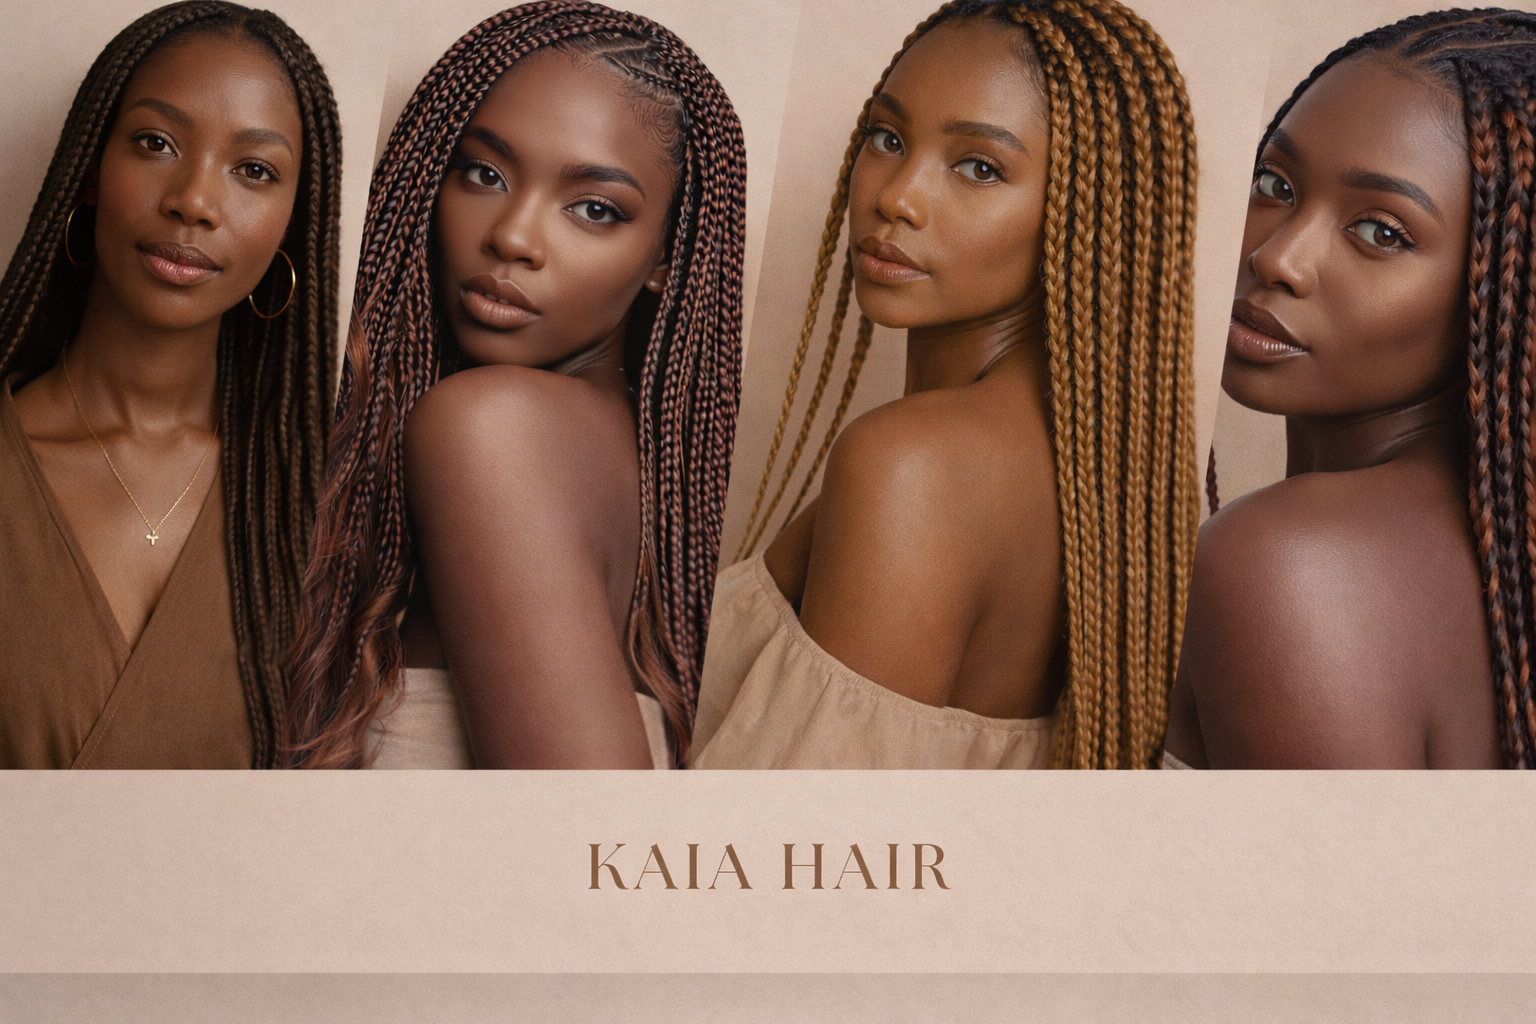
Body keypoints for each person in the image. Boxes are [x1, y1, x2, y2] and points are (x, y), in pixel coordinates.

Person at [694, 0, 1198, 769]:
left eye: (979, 167)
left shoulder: (912, 464)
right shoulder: (1108, 475)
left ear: (1091, 207)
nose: (896, 195)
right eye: (887, 138)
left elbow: (803, 862)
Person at [283, 1, 746, 769]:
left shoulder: (492, 428)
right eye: (484, 173)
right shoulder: (631, 453)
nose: (513, 236)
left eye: (595, 209)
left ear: (669, 254)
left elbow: (583, 856)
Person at [1166, 9, 1536, 769]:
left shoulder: (1288, 564)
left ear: (1507, 289)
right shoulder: (1493, 554)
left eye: (1382, 232)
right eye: (1276, 183)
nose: (1278, 257)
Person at [0, 1, 341, 768]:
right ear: (89, 170)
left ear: (293, 219)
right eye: (155, 143)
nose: (193, 199)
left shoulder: (323, 494)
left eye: (254, 170)